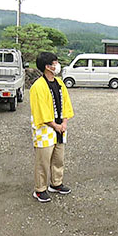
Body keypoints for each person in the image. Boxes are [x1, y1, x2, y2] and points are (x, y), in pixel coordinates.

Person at [29, 52, 74, 203]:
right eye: (55, 63)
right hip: (45, 129)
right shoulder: (38, 86)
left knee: (58, 158)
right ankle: (40, 189)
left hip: (60, 127)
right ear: (47, 67)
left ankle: (56, 183)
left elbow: (66, 104)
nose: (57, 65)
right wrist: (55, 125)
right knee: (43, 160)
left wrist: (64, 123)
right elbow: (40, 110)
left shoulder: (60, 83)